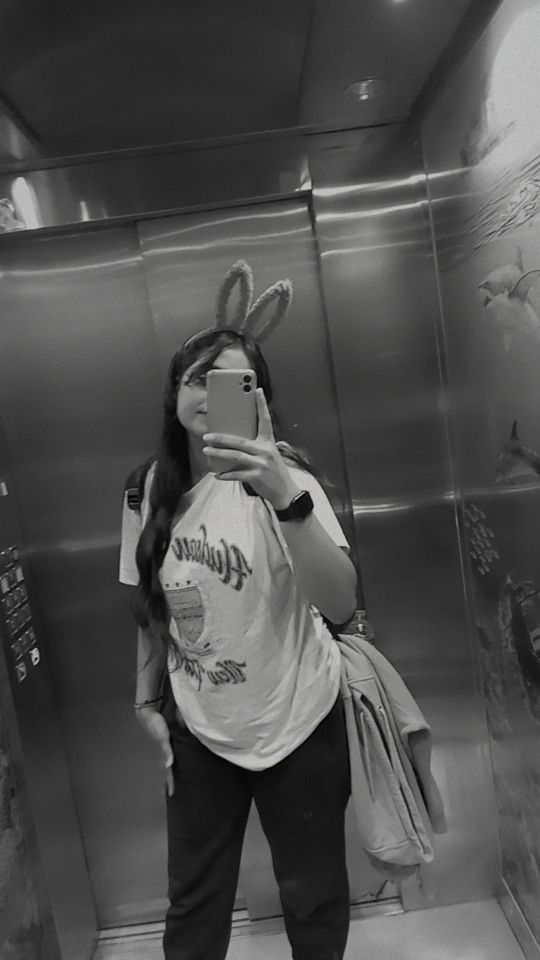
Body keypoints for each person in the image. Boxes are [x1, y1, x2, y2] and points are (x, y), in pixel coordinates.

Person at [119, 325, 358, 960]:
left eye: (232, 381)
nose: (209, 394)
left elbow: (341, 602)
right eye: (197, 378)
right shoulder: (146, 489)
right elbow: (148, 606)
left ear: (258, 397)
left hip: (298, 718)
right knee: (194, 907)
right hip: (199, 728)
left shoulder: (285, 479)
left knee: (314, 897)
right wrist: (145, 702)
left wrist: (284, 495)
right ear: (174, 392)